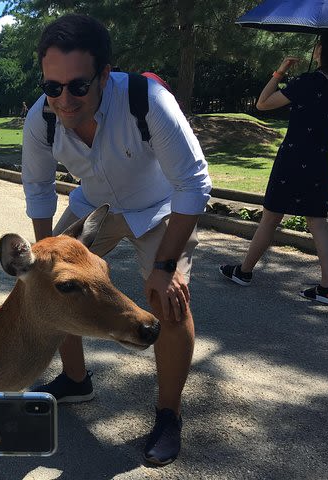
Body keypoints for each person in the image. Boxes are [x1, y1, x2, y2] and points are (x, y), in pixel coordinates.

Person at [21, 14, 211, 465]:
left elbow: (194, 184)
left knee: (169, 301)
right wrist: (49, 263)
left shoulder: (148, 101)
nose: (64, 100)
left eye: (77, 86)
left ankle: (168, 413)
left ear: (105, 75)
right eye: (53, 86)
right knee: (55, 289)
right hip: (95, 205)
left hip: (160, 206)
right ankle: (75, 379)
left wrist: (165, 268)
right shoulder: (41, 119)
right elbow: (38, 189)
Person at [219, 32, 328, 306]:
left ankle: (244, 271)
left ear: (324, 50)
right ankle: (327, 288)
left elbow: (263, 103)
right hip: (320, 162)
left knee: (270, 217)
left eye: (319, 44)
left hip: (292, 160)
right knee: (317, 222)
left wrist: (279, 71)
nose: (315, 48)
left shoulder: (310, 81)